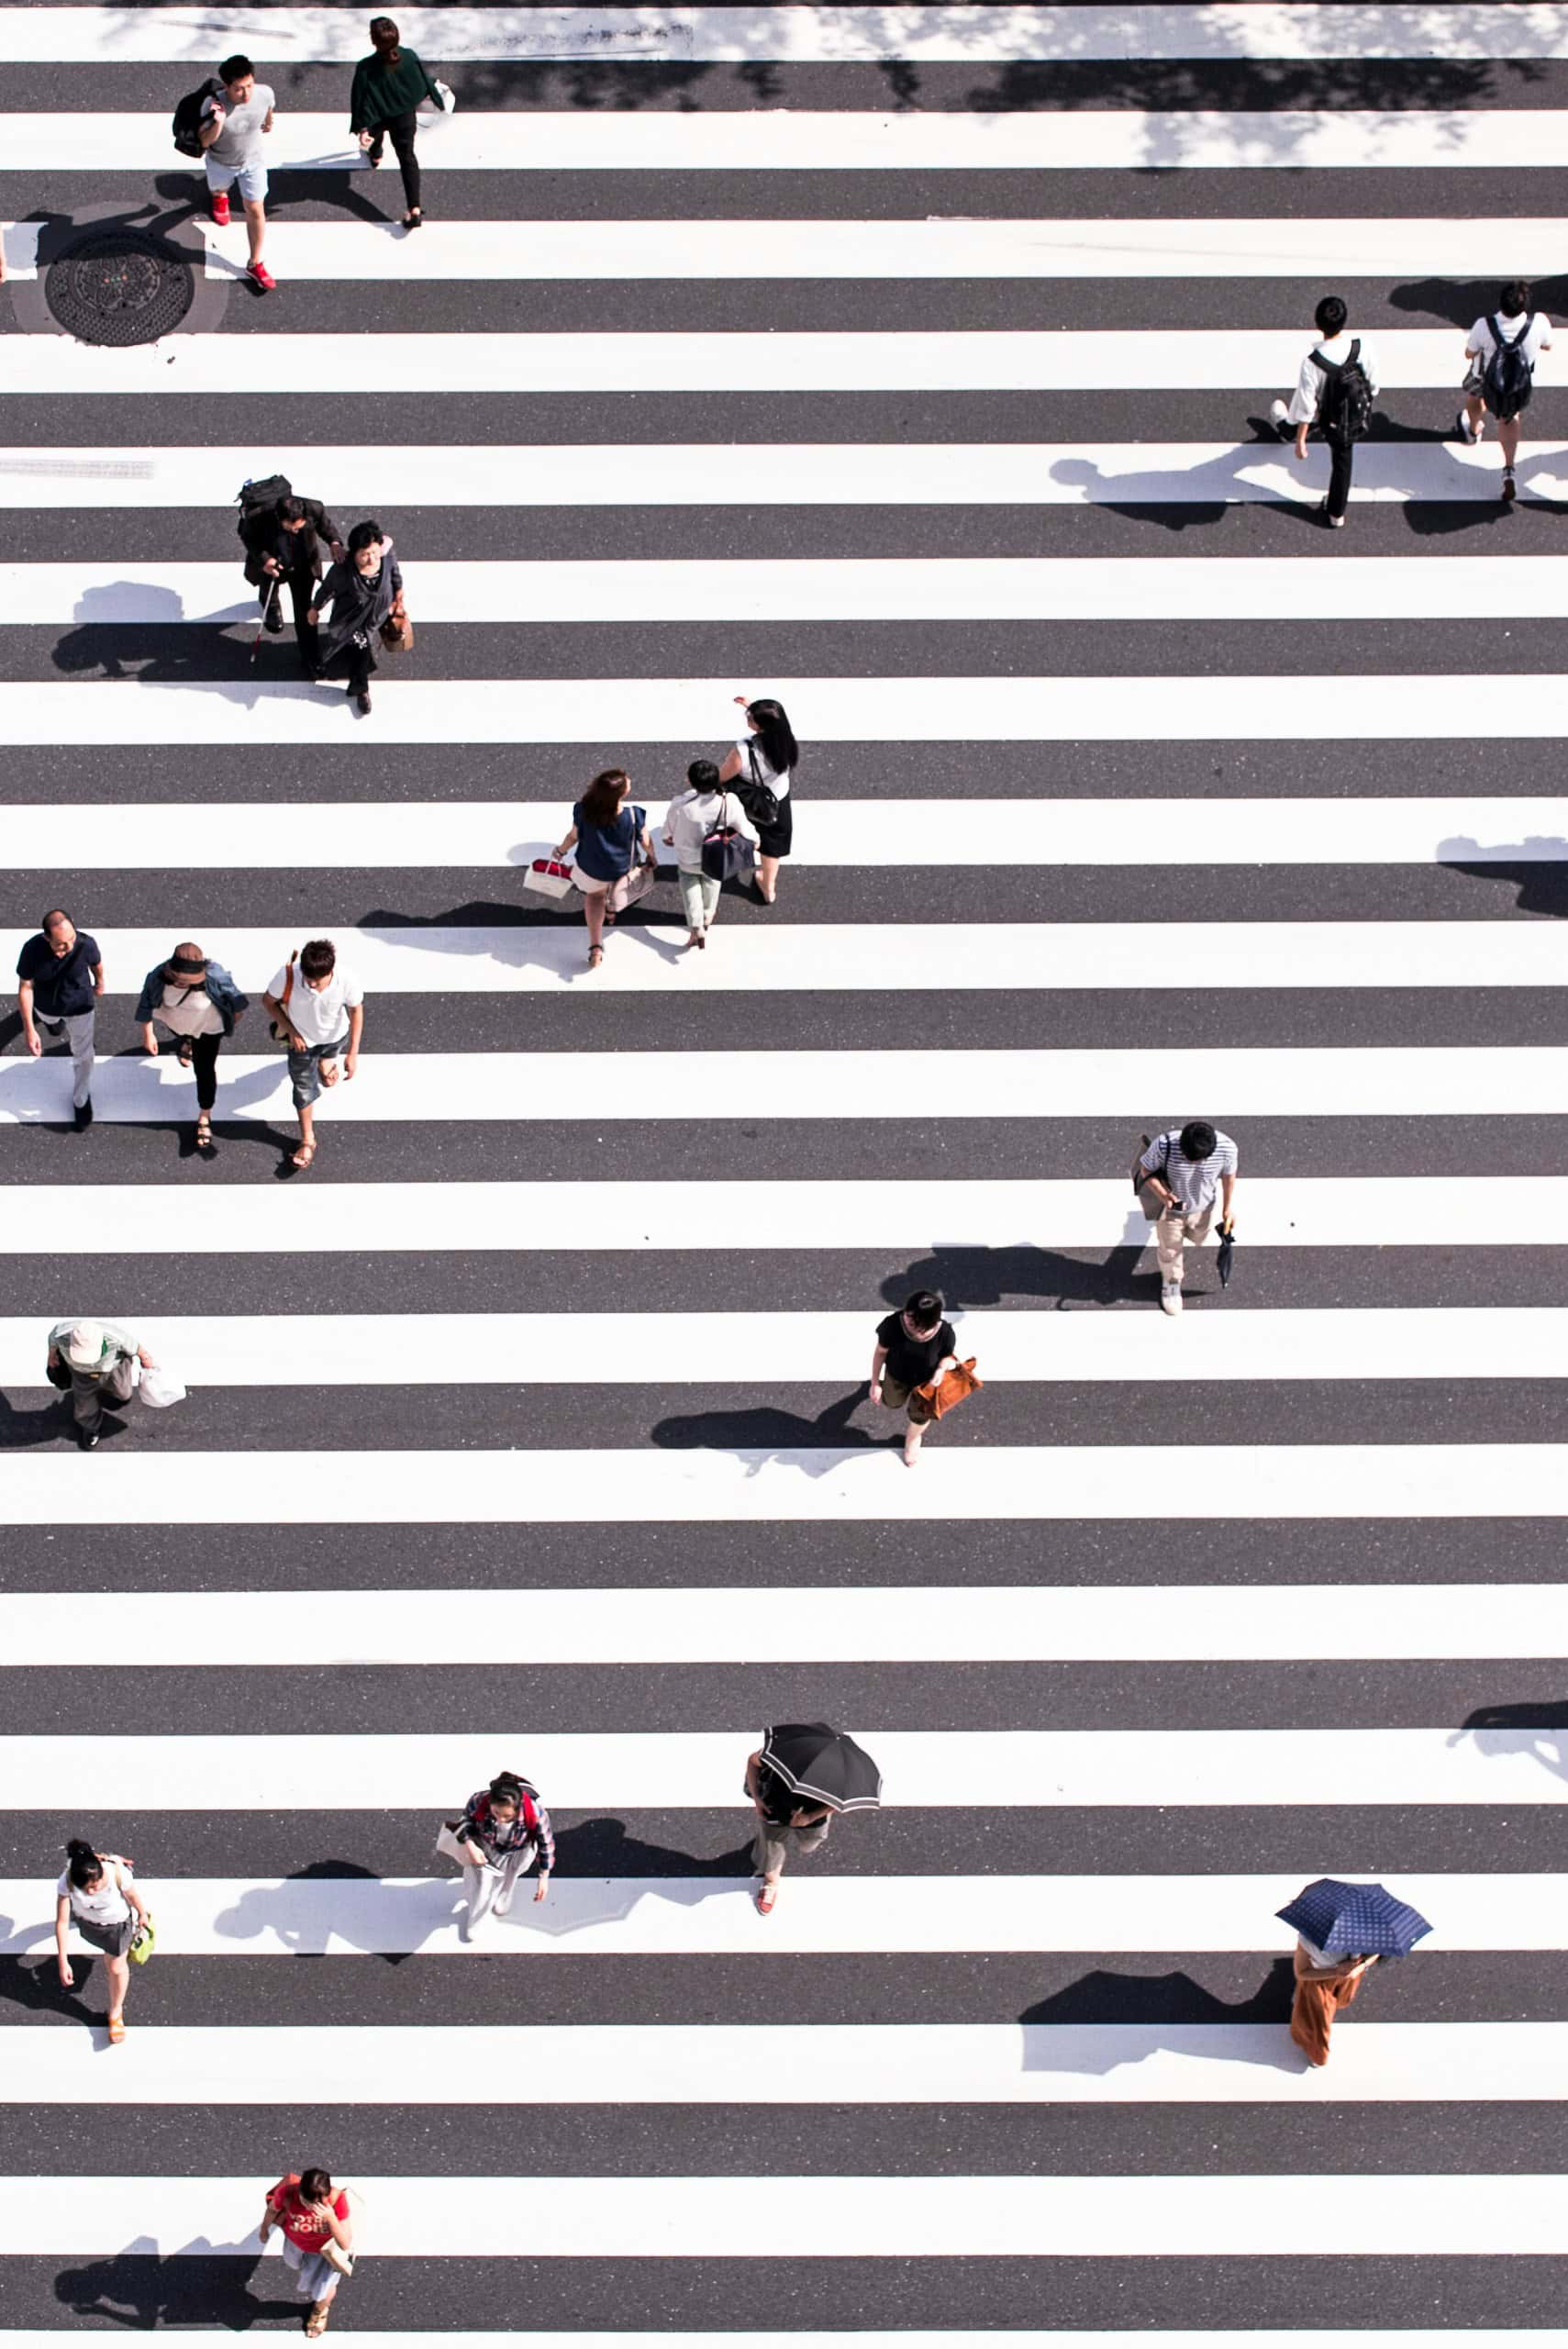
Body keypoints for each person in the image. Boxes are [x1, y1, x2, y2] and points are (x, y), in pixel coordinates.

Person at [1268, 295, 1377, 529]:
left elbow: (1308, 406)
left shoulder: (1313, 362)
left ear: (1318, 324)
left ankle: (1288, 429)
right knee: (1343, 463)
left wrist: (1300, 441)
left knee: (1308, 401)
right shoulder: (1361, 347)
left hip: (1329, 417)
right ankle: (1336, 513)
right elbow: (1373, 383)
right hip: (1355, 415)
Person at [135, 941, 249, 1157]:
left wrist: (229, 1024)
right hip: (178, 1023)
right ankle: (187, 1042)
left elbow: (238, 1003)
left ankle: (205, 1115)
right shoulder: (157, 976)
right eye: (178, 980)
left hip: (208, 1029)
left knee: (205, 1070)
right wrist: (148, 1033)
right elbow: (146, 1003)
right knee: (182, 1034)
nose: (181, 984)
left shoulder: (214, 976)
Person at [261, 939, 364, 1173]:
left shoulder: (346, 979)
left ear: (331, 971)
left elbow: (356, 1010)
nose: (313, 985)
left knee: (328, 1064)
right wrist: (292, 1032)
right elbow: (268, 1002)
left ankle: (326, 1064)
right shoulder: (290, 974)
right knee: (304, 1088)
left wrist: (353, 1053)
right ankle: (308, 1140)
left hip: (336, 1036)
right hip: (302, 1044)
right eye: (309, 980)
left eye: (318, 981)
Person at [1458, 281, 1554, 504]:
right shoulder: (1538, 323)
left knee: (1474, 399)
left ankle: (1473, 430)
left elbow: (1469, 353)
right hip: (1517, 384)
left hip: (1485, 379)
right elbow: (1549, 345)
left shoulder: (1485, 325)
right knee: (1509, 419)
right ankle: (1509, 468)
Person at [553, 767, 656, 970]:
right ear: (622, 793)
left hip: (591, 867)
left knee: (594, 897)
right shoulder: (633, 815)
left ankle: (596, 946)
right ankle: (611, 909)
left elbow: (573, 836)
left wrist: (560, 851)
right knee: (617, 889)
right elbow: (645, 841)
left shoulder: (583, 810)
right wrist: (652, 856)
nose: (629, 779)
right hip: (623, 867)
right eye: (627, 780)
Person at [1136, 1119, 1239, 1317]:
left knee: (1199, 1237)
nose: (1192, 1163)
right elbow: (1146, 1169)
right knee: (1171, 1248)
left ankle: (1176, 1259)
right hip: (1170, 1210)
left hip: (1204, 1206)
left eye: (1197, 1161)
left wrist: (1227, 1208)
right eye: (1187, 1158)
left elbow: (1228, 1177)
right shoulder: (1164, 1144)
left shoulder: (1227, 1149)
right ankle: (1172, 1281)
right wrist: (1164, 1196)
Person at [350, 16, 444, 230]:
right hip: (404, 117)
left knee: (376, 135)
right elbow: (422, 82)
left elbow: (361, 101)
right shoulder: (409, 56)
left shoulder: (366, 68)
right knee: (407, 158)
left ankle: (376, 153)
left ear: (373, 41)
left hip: (378, 116)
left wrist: (362, 127)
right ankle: (415, 209)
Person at [54, 1837, 150, 2043]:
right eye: (84, 1889)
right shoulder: (67, 1880)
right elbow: (62, 1921)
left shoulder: (117, 1875)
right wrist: (63, 1960)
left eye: (95, 1885)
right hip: (87, 1923)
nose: (91, 1892)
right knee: (112, 1963)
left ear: (101, 1872)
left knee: (115, 1967)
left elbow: (132, 1895)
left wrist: (142, 1913)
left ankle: (115, 2013)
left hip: (116, 1926)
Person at [17, 907, 104, 1130]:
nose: (68, 948)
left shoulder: (86, 944)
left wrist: (100, 981)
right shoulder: (32, 950)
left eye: (71, 939)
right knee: (54, 1028)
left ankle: (81, 1100)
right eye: (60, 944)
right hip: (47, 1007)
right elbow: (26, 988)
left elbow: (96, 963)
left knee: (84, 1055)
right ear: (47, 938)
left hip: (81, 1007)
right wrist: (29, 1029)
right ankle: (51, 1025)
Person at [305, 521, 405, 715]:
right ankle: (361, 689)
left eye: (375, 553)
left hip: (378, 614)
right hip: (353, 620)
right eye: (364, 554)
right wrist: (315, 608)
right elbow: (326, 590)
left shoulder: (387, 557)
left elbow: (395, 576)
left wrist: (398, 598)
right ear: (354, 553)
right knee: (361, 650)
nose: (371, 559)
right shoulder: (343, 572)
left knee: (361, 645)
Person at [198, 53, 277, 294]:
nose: (246, 94)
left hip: (253, 162)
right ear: (226, 86)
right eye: (239, 89)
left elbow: (268, 108)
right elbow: (204, 141)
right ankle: (220, 197)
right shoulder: (213, 105)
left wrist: (269, 122)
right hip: (222, 162)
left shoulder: (264, 93)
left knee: (255, 208)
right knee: (219, 188)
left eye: (250, 85)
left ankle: (255, 263)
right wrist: (219, 122)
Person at [241, 493, 346, 671]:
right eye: (291, 528)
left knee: (304, 609)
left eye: (299, 527)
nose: (296, 531)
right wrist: (265, 559)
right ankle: (272, 606)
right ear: (279, 518)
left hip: (303, 566)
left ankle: (310, 657)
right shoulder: (260, 516)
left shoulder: (314, 508)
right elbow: (247, 537)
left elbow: (325, 526)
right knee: (268, 588)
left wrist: (334, 542)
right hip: (274, 562)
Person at [450, 1769, 555, 1938]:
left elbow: (546, 1843)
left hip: (519, 1849)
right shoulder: (479, 1800)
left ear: (518, 1807)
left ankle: (504, 1896)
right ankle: (475, 1919)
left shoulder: (536, 1813)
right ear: (490, 1802)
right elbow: (464, 1822)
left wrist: (544, 1876)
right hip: (487, 1846)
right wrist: (471, 1845)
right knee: (482, 1885)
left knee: (511, 1874)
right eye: (496, 1813)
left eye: (507, 1816)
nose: (501, 1819)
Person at [662, 757, 751, 949]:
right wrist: (756, 841)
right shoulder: (729, 802)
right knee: (712, 880)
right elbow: (744, 828)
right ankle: (708, 915)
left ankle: (696, 925)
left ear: (691, 781)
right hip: (717, 855)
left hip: (688, 856)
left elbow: (668, 831)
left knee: (689, 882)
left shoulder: (681, 804)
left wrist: (668, 838)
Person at [717, 695, 798, 904]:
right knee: (772, 846)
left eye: (751, 717)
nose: (748, 718)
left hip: (746, 799)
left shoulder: (744, 749)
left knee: (734, 830)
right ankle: (768, 887)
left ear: (759, 725)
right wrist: (752, 707)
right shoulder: (787, 741)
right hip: (776, 799)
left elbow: (724, 776)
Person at [258, 2168, 354, 2338]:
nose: (309, 2207)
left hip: (324, 2254)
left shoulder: (337, 2200)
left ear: (327, 2195)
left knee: (323, 2288)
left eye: (317, 2204)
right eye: (305, 2201)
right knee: (293, 2264)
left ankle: (321, 2309)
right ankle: (319, 2298)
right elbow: (273, 2209)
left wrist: (331, 2218)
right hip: (296, 2244)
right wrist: (264, 2228)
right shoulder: (288, 2193)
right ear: (300, 2190)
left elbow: (345, 2244)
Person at [869, 1288, 959, 1469]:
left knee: (920, 1416)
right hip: (896, 1376)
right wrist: (875, 1383)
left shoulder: (945, 1333)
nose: (906, 1320)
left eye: (913, 1321)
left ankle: (913, 1439)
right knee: (891, 1402)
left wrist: (941, 1370)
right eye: (907, 1315)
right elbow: (880, 1352)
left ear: (929, 1323)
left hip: (925, 1384)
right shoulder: (893, 1324)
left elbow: (947, 1356)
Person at [744, 1743, 832, 1916]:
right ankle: (770, 1883)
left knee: (809, 1845)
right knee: (771, 1850)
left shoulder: (833, 1773)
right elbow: (753, 1762)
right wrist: (757, 1798)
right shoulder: (779, 1754)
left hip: (812, 1816)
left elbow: (836, 1802)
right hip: (774, 1810)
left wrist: (810, 1817)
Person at [45, 1318, 157, 1451]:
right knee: (84, 1406)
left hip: (114, 1368)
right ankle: (90, 1427)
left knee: (123, 1394)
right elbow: (52, 1341)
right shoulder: (61, 1333)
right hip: (81, 1373)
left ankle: (105, 1397)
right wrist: (51, 1356)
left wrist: (146, 1360)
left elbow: (137, 1349)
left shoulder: (115, 1337)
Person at [1289, 1933, 1379, 2067]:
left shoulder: (1309, 1937)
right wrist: (1343, 1970)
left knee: (1317, 2013)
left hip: (1341, 1976)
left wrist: (1360, 1966)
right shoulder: (1309, 1939)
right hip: (1322, 1981)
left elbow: (1377, 1952)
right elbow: (1301, 1973)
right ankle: (1318, 2054)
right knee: (1319, 2021)